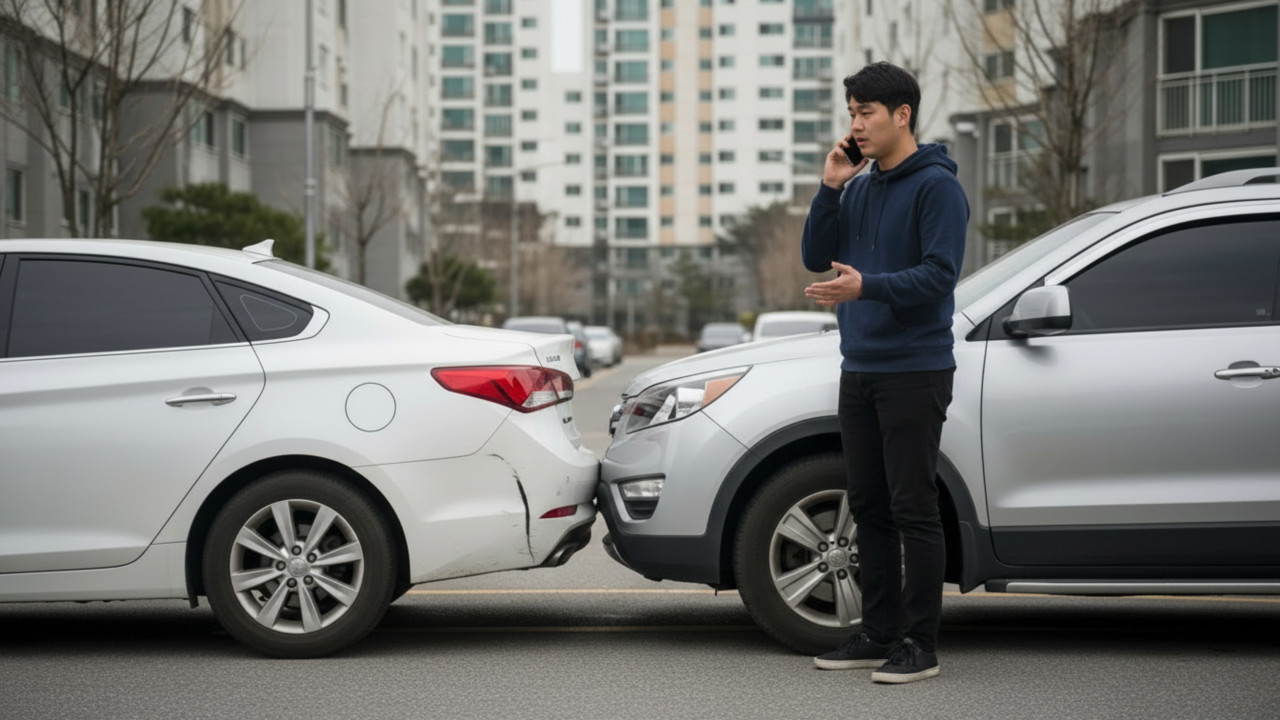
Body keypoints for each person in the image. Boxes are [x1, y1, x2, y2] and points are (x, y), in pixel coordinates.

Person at [799, 62, 968, 684]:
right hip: (861, 368)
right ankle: (877, 633)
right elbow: (816, 256)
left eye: (866, 112)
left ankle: (919, 645)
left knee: (913, 508)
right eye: (851, 113)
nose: (856, 125)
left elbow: (939, 276)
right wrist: (830, 187)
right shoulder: (859, 187)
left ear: (902, 115)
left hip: (916, 369)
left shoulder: (938, 188)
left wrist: (867, 287)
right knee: (868, 507)